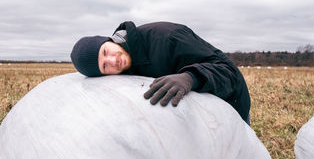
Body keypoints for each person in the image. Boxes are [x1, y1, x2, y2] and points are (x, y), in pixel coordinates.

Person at [71, 21, 251, 124]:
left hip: (231, 107)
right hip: (196, 123)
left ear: (109, 40)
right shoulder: (123, 71)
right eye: (104, 66)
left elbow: (229, 72)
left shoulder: (167, 37)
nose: (112, 60)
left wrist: (190, 77)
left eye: (105, 52)